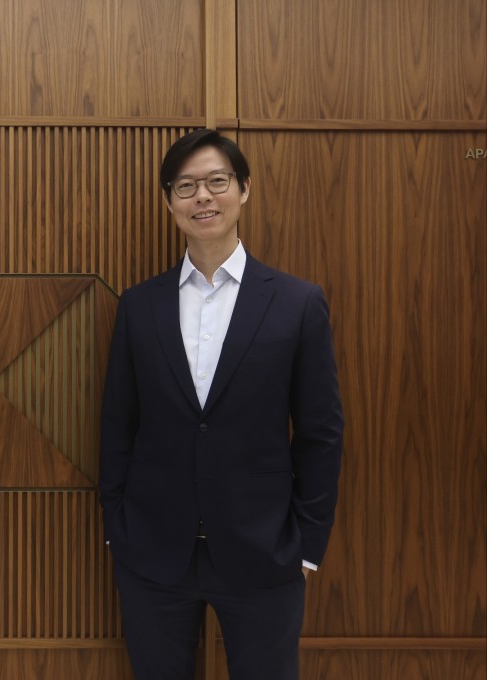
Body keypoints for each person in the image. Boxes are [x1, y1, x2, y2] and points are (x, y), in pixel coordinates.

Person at [99, 128, 344, 680]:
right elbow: (118, 426)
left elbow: (320, 434)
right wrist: (118, 529)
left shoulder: (297, 303)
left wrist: (306, 548)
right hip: (153, 554)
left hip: (265, 554)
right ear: (169, 202)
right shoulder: (139, 306)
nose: (203, 197)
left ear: (244, 189)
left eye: (216, 181)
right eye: (186, 187)